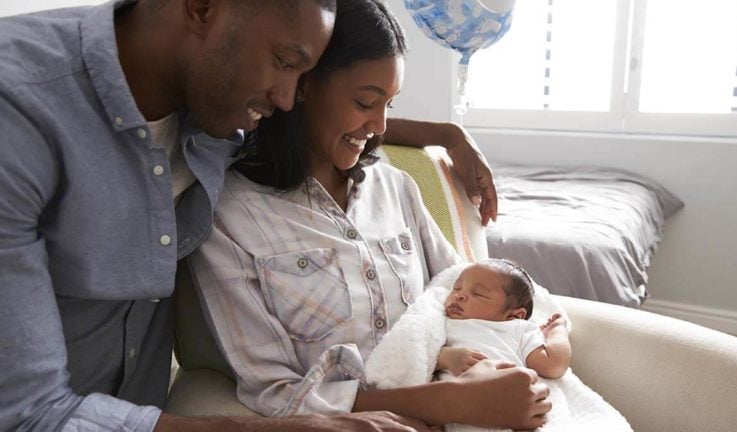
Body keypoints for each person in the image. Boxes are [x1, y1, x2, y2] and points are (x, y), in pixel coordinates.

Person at [0, 0, 499, 431]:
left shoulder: (217, 101)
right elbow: (28, 415)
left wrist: (447, 134)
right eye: (284, 62)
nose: (286, 98)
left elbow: (326, 115)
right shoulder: (20, 113)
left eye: (300, 76)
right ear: (200, 7)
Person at [187, 1, 550, 430]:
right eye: (365, 102)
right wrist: (450, 403)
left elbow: (462, 290)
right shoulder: (231, 215)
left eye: (389, 106)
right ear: (302, 85)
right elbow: (275, 392)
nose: (379, 126)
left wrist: (505, 364)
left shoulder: (394, 187)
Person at [437, 259, 572, 381]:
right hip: (453, 401)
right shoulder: (439, 320)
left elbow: (553, 366)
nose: (459, 295)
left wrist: (557, 330)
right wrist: (446, 358)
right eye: (456, 288)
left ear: (513, 315)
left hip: (508, 399)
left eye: (478, 293)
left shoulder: (517, 328)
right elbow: (421, 354)